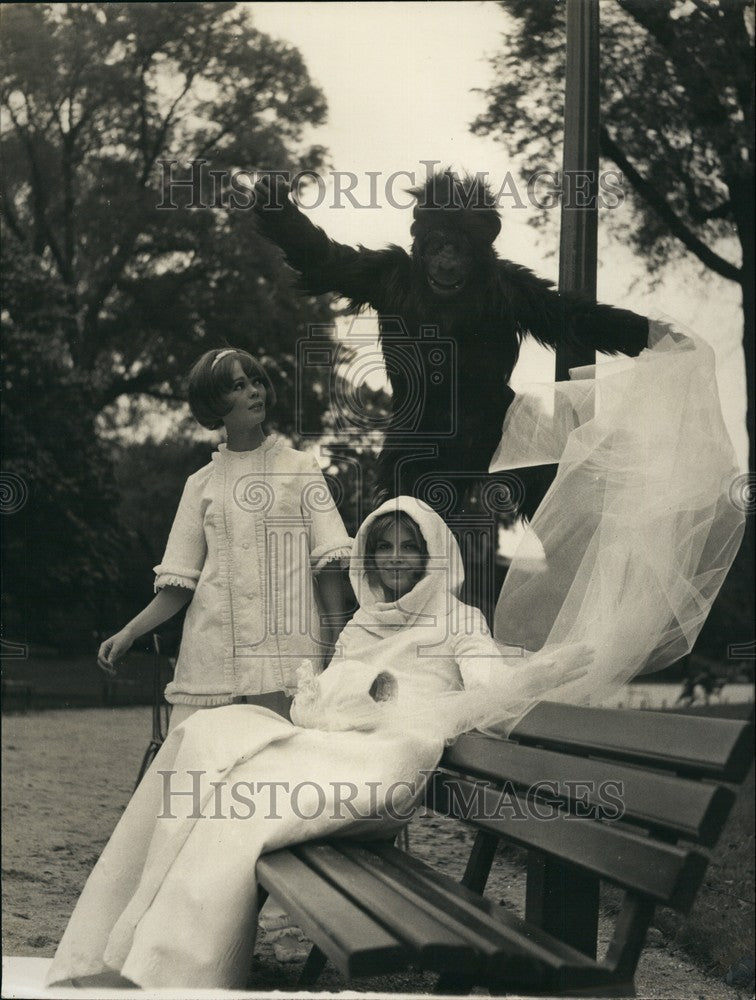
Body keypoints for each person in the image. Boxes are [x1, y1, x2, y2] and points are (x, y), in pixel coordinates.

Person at [45, 498, 583, 990]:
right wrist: (343, 695)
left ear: (432, 555)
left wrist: (536, 672)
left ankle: (173, 973)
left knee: (241, 815)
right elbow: (325, 699)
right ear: (369, 559)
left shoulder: (458, 620)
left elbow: (487, 692)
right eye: (383, 548)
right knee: (202, 750)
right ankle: (119, 946)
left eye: (409, 548)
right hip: (331, 745)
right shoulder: (360, 625)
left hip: (385, 764)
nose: (395, 560)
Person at [97, 346, 353, 729]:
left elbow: (329, 564)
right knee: (210, 764)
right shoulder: (200, 484)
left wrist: (333, 641)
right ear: (214, 403)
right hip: (215, 654)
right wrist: (130, 632)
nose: (254, 391)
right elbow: (180, 583)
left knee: (281, 765)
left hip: (288, 652)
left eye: (256, 382)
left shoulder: (300, 468)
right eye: (238, 385)